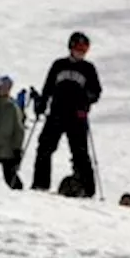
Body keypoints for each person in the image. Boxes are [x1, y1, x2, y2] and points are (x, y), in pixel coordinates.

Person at [32, 32, 102, 197]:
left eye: (84, 49)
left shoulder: (88, 69)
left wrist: (87, 100)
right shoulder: (58, 65)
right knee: (45, 146)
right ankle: (40, 183)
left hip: (77, 116)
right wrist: (42, 102)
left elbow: (96, 91)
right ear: (71, 47)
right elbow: (48, 86)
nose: (81, 53)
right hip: (57, 112)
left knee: (80, 152)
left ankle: (87, 188)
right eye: (78, 48)